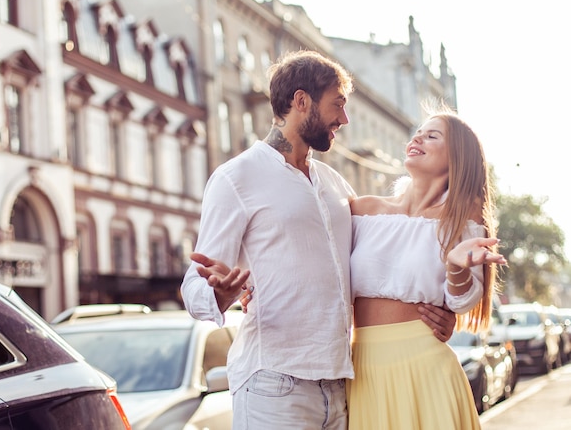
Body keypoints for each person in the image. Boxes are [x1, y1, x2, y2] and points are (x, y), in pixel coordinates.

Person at [181, 49, 456, 430]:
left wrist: (437, 312)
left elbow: (386, 257)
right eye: (337, 105)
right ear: (300, 101)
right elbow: (194, 284)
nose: (344, 119)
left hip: (342, 386)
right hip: (274, 384)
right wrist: (219, 296)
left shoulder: (336, 186)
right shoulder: (236, 178)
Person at [346, 106, 507, 429]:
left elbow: (463, 302)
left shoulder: (463, 215)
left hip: (425, 365)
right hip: (362, 368)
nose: (417, 136)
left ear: (456, 159)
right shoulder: (360, 210)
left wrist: (455, 268)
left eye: (432, 135)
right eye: (418, 131)